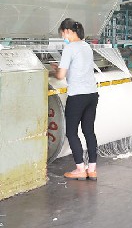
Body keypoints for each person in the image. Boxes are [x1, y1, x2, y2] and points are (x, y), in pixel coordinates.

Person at [51, 18, 99, 181]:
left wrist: (55, 71)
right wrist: (62, 69)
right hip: (92, 95)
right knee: (88, 131)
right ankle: (92, 170)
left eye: (62, 33)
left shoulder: (69, 48)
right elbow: (79, 68)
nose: (62, 37)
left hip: (77, 96)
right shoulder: (87, 47)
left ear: (67, 31)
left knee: (71, 132)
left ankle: (80, 169)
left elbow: (60, 76)